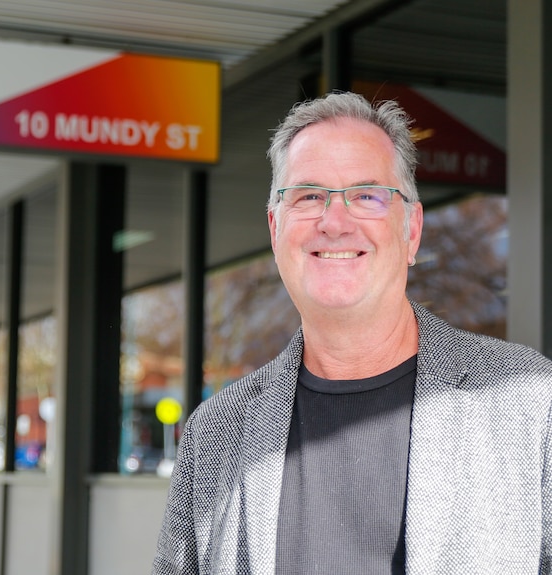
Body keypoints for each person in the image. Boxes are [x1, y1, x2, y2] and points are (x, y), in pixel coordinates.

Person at [151, 91, 552, 574]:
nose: (334, 222)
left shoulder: (530, 406)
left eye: (367, 195)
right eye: (309, 196)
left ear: (412, 230)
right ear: (276, 229)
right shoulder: (214, 436)